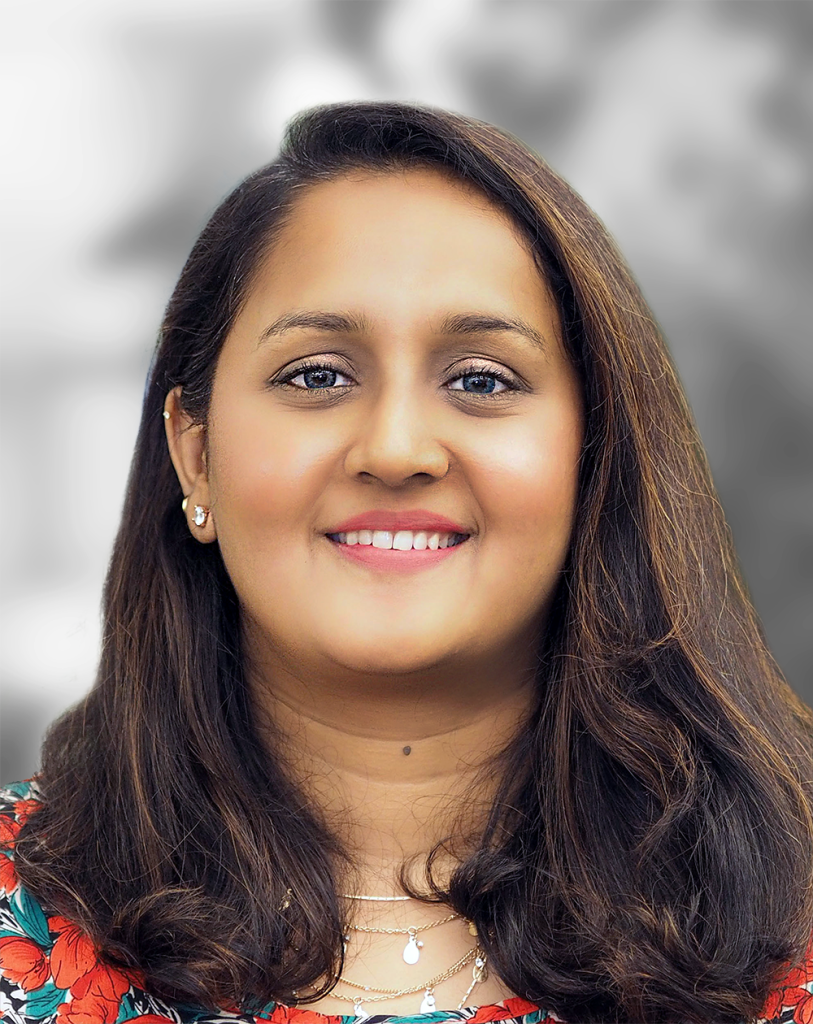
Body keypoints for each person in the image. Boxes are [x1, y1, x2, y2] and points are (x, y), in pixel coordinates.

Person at [1, 101, 812, 1024]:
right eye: (317, 375)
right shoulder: (14, 907)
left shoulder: (793, 911)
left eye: (481, 380)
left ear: (594, 457)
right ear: (195, 453)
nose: (394, 449)